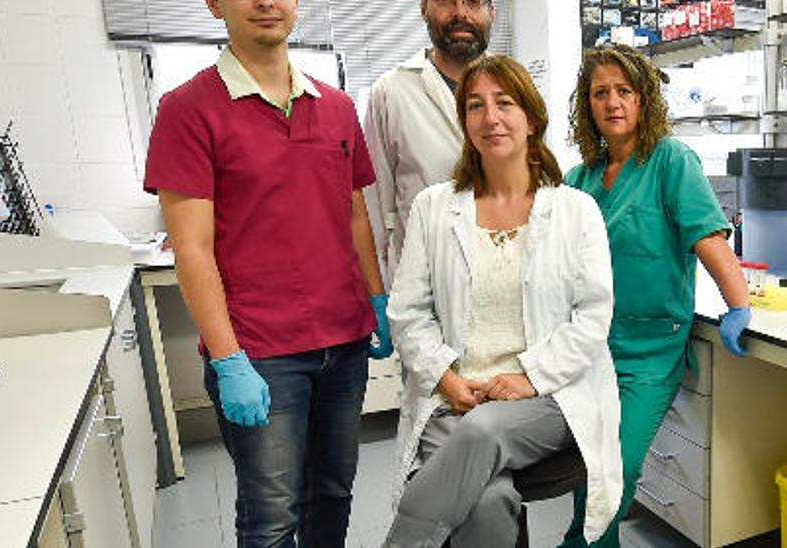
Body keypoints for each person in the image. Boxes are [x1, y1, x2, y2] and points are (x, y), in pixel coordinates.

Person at [143, 0, 392, 545]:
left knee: (333, 494)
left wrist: (376, 299)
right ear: (213, 4)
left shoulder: (336, 106)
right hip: (261, 353)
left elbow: (353, 214)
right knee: (272, 516)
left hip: (344, 344)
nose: (265, 2)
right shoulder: (188, 109)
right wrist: (228, 358)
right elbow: (192, 248)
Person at [383, 55, 623, 548]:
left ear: (531, 117)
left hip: (548, 394)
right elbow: (408, 312)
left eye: (505, 103)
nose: (490, 117)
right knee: (488, 501)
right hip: (452, 392)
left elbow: (592, 318)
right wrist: (445, 376)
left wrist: (529, 377)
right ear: (464, 120)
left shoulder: (576, 210)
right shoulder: (434, 207)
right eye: (475, 105)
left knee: (483, 431)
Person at [560, 43, 751, 547]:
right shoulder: (580, 179)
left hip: (650, 353)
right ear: (588, 105)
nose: (612, 102)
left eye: (624, 90)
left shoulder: (670, 160)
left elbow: (707, 236)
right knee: (588, 466)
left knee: (616, 469)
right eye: (600, 93)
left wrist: (739, 304)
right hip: (589, 350)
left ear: (644, 99)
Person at [364, 0, 496, 283]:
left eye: (474, 2)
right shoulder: (391, 92)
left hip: (504, 279)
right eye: (447, 1)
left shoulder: (517, 89)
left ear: (492, 10)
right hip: (422, 288)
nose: (461, 13)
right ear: (424, 7)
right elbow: (375, 208)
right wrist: (380, 292)